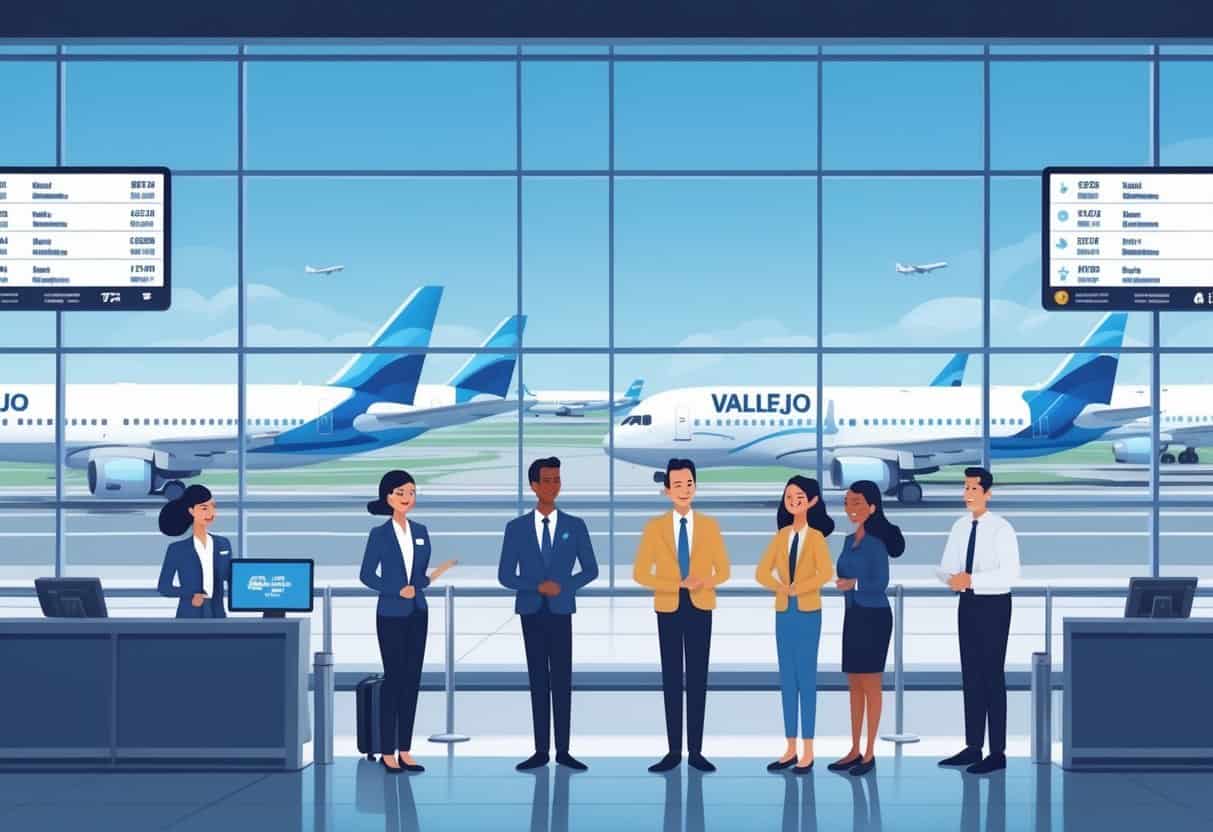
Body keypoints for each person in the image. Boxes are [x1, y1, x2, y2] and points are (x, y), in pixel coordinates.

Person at [498, 457, 600, 772]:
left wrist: (564, 586)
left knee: (562, 681)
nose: (553, 486)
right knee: (538, 681)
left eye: (557, 479)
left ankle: (564, 750)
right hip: (531, 610)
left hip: (561, 611)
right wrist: (537, 586)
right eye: (547, 480)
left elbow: (592, 569)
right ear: (533, 485)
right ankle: (541, 750)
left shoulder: (575, 525)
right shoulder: (515, 529)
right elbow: (505, 574)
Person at [633, 458, 731, 774]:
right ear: (666, 490)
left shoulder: (710, 526)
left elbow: (725, 570)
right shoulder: (655, 528)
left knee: (699, 680)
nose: (684, 490)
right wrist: (675, 583)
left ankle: (697, 751)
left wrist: (704, 581)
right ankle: (674, 750)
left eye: (689, 483)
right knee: (672, 679)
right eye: (677, 485)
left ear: (696, 486)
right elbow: (639, 573)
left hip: (701, 606)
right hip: (669, 607)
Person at [359, 470, 456, 774]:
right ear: (387, 496)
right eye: (401, 492)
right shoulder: (379, 534)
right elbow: (366, 575)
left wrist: (435, 576)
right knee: (394, 681)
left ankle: (405, 749)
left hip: (417, 612)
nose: (407, 498)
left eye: (412, 492)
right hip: (390, 613)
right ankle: (387, 751)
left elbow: (419, 578)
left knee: (412, 682)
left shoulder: (422, 531)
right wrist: (394, 589)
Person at [936, 466, 1020, 775]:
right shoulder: (959, 527)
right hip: (967, 604)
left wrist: (970, 579)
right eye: (965, 488)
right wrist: (952, 580)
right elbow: (944, 567)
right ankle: (973, 746)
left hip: (995, 604)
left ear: (987, 493)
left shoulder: (1001, 529)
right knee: (970, 675)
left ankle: (997, 751)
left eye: (973, 489)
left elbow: (1010, 575)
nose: (968, 494)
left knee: (992, 676)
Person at [756, 475, 835, 774]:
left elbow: (825, 572)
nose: (793, 502)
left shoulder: (815, 537)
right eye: (789, 497)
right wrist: (780, 586)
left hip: (807, 611)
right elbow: (761, 571)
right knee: (787, 680)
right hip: (783, 611)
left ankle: (809, 749)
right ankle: (790, 746)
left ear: (813, 501)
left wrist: (798, 588)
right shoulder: (781, 536)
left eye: (799, 497)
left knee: (807, 679)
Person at [828, 480, 904, 777]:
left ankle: (870, 751)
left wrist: (853, 584)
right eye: (847, 502)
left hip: (874, 616)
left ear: (872, 507)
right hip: (854, 615)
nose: (851, 508)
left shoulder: (876, 542)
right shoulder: (849, 540)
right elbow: (842, 570)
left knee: (871, 685)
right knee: (854, 685)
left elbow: (879, 582)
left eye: (857, 502)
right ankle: (854, 748)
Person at [156, 484, 231, 619]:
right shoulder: (176, 549)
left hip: (217, 615)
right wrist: (191, 594)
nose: (211, 513)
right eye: (204, 508)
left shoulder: (223, 544)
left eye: (213, 506)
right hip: (189, 616)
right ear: (191, 511)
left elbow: (229, 577)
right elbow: (164, 587)